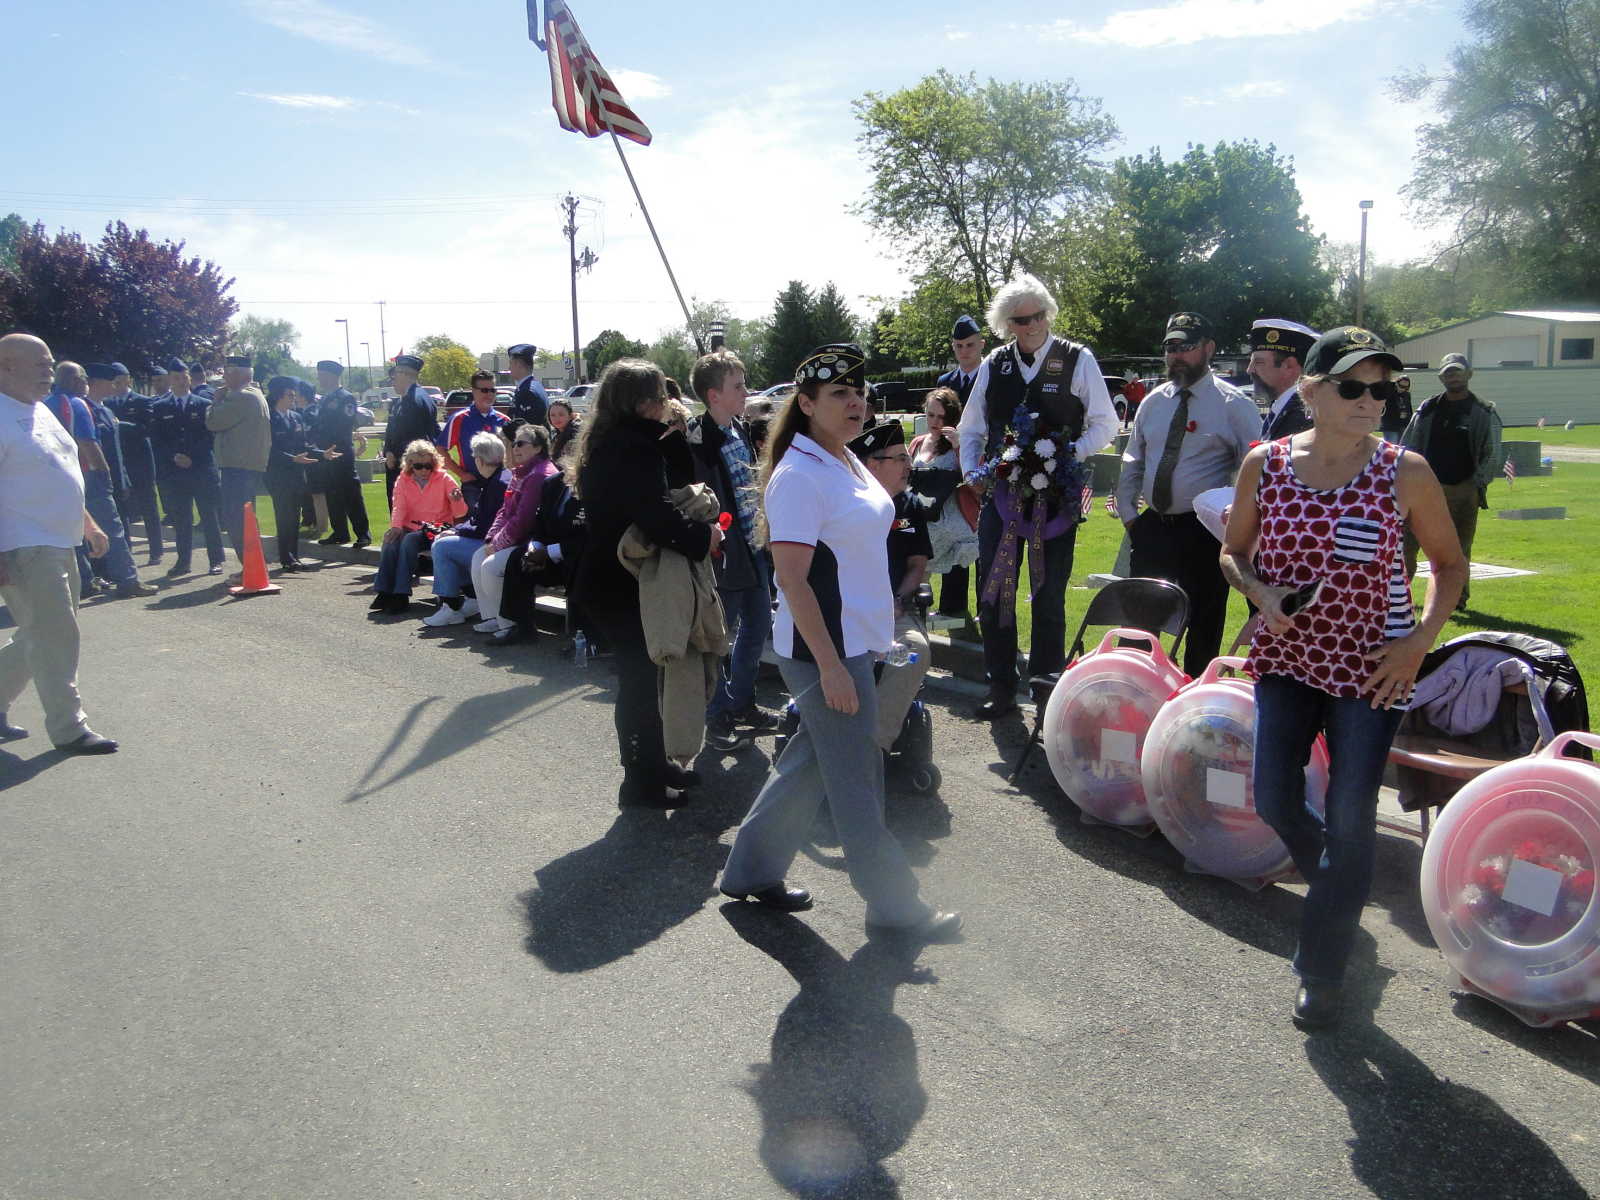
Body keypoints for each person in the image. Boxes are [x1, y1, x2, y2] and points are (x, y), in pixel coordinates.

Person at [1220, 326, 1467, 1028]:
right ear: (1310, 390)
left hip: (1373, 667)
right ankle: (1340, 884)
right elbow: (1233, 553)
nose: (1371, 401)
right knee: (1275, 798)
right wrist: (1261, 594)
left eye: (1382, 389)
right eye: (1354, 386)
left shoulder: (1404, 471)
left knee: (1352, 817)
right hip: (1289, 658)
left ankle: (1322, 969)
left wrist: (1418, 643)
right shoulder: (1265, 464)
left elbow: (1450, 566)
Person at [718, 343, 958, 939]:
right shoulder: (800, 476)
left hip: (855, 642)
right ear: (805, 404)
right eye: (839, 394)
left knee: (807, 765)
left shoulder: (843, 457)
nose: (856, 403)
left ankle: (749, 871)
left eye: (860, 393)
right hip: (824, 650)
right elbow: (793, 580)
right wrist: (829, 668)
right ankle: (895, 905)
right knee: (858, 784)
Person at [956, 273, 1119, 719]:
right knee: (994, 591)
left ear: (1048, 314)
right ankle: (1001, 686)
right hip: (1001, 496)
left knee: (1048, 595)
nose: (1030, 326)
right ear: (1005, 324)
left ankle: (1047, 691)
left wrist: (1065, 454)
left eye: (1037, 316)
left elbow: (1106, 424)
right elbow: (971, 428)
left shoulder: (1077, 359)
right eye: (1019, 320)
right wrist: (972, 473)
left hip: (1056, 497)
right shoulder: (995, 364)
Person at [571, 359, 721, 808]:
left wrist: (671, 438)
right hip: (622, 584)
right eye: (660, 397)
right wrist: (706, 537)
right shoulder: (631, 447)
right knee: (640, 685)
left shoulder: (617, 440)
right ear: (640, 403)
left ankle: (653, 765)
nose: (666, 404)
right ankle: (640, 783)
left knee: (647, 681)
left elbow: (677, 481)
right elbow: (657, 517)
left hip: (611, 580)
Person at [1116, 312, 1260, 679]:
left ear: (1209, 349)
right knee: (1138, 624)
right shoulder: (1153, 401)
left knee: (1203, 625)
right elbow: (1133, 459)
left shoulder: (1233, 404)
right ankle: (1135, 694)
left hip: (1204, 533)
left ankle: (1194, 698)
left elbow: (1257, 469)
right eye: (1170, 347)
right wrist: (1130, 516)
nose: (1176, 356)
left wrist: (1236, 522)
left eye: (1186, 347)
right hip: (1152, 528)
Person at [0, 332, 119, 753]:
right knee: (56, 636)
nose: (49, 370)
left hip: (59, 540)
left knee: (41, 633)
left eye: (50, 363)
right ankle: (70, 728)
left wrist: (89, 524)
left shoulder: (41, 410)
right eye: (39, 363)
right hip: (23, 545)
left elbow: (58, 469)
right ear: (7, 366)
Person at [687, 349, 779, 754]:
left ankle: (742, 701)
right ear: (713, 396)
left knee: (757, 626)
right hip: (723, 552)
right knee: (718, 636)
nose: (746, 392)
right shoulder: (696, 438)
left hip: (752, 545)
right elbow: (696, 498)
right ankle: (717, 712)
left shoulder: (739, 429)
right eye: (737, 386)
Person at [851, 420, 933, 752]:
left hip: (894, 612)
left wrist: (898, 599)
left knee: (914, 651)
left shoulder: (911, 506)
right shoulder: (847, 505)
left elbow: (917, 565)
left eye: (907, 458)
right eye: (899, 458)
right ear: (873, 464)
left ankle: (873, 747)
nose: (908, 465)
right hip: (849, 613)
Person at [1401, 353, 1503, 610]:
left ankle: (1457, 600)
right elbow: (1408, 444)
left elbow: (1492, 454)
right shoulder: (1427, 409)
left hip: (1463, 491)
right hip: (1422, 490)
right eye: (1448, 372)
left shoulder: (1484, 411)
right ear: (1441, 377)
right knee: (1405, 546)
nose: (1453, 376)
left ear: (1469, 374)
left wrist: (1476, 484)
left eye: (1457, 371)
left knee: (1458, 551)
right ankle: (1397, 596)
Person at [465, 424, 560, 639]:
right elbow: (504, 510)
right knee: (479, 556)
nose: (515, 447)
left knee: (490, 566)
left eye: (521, 443)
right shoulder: (521, 472)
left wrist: (498, 544)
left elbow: (524, 520)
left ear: (538, 448)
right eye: (514, 443)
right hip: (517, 538)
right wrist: (492, 538)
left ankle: (510, 623)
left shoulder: (538, 475)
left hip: (534, 542)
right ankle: (493, 617)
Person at [421, 430, 511, 626]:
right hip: (494, 541)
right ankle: (471, 596)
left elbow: (484, 527)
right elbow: (478, 520)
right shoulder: (499, 478)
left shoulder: (497, 483)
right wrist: (456, 530)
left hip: (495, 545)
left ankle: (450, 606)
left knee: (441, 546)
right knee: (446, 542)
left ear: (479, 460)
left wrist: (457, 530)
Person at [149, 357, 226, 577]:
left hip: (201, 469)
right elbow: (157, 440)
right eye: (177, 378)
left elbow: (209, 437)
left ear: (190, 379)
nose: (182, 382)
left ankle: (216, 560)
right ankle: (183, 561)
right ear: (170, 380)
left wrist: (192, 457)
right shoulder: (160, 407)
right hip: (176, 472)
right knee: (182, 519)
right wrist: (174, 456)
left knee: (209, 516)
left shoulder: (202, 404)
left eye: (185, 377)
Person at [369, 440, 465, 614]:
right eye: (418, 466)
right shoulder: (403, 480)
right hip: (411, 527)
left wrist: (456, 500)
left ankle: (401, 594)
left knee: (409, 540)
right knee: (390, 541)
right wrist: (396, 527)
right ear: (410, 464)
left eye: (428, 466)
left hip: (437, 528)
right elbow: (399, 507)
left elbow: (460, 513)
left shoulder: (445, 479)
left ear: (434, 463)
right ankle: (384, 592)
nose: (424, 470)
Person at [81, 363, 152, 597]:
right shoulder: (84, 409)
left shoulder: (107, 411)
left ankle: (114, 575)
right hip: (95, 481)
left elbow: (117, 449)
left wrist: (123, 479)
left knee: (118, 528)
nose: (114, 385)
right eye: (109, 381)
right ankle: (122, 579)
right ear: (94, 383)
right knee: (108, 530)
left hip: (115, 479)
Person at [909, 385, 978, 617]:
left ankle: (922, 611)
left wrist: (959, 447)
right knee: (915, 567)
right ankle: (917, 612)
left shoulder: (959, 443)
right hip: (921, 515)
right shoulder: (918, 442)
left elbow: (976, 480)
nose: (935, 422)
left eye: (942, 417)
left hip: (949, 519)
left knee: (920, 566)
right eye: (931, 415)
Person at [206, 354, 271, 581]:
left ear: (238, 374)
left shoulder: (241, 396)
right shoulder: (254, 394)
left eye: (227, 372)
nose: (224, 377)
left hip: (238, 466)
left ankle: (250, 568)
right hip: (247, 466)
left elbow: (213, 422)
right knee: (245, 519)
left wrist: (215, 402)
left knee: (237, 520)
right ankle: (253, 566)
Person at [106, 362, 163, 566]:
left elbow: (147, 429)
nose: (117, 385)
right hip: (118, 462)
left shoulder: (142, 401)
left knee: (149, 506)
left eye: (121, 381)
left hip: (140, 461)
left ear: (128, 380)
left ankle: (156, 550)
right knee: (122, 508)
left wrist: (120, 425)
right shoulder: (107, 404)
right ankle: (126, 551)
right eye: (114, 382)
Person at [312, 360, 369, 548]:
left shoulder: (345, 398)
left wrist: (329, 444)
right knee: (332, 494)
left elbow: (344, 425)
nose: (319, 379)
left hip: (341, 451)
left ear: (332, 376)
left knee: (350, 493)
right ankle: (340, 532)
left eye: (322, 375)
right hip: (325, 453)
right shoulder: (325, 399)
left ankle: (363, 533)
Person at [264, 376, 319, 572]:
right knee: (283, 515)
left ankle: (294, 555)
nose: (293, 398)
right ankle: (285, 556)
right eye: (290, 395)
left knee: (295, 517)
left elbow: (304, 445)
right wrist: (292, 458)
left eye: (294, 395)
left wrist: (322, 453)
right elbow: (268, 449)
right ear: (279, 395)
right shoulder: (268, 418)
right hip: (278, 475)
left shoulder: (296, 417)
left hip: (296, 474)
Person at [382, 354, 438, 509]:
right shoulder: (406, 399)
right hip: (404, 465)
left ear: (404, 374)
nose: (392, 380)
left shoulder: (414, 400)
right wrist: (388, 451)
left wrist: (393, 453)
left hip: (411, 468)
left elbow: (415, 439)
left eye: (395, 374)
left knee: (408, 512)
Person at [1249, 318, 1318, 441]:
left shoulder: (1302, 416)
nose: (1249, 370)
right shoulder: (1285, 408)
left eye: (1258, 362)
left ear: (1289, 366)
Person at [442, 370, 510, 491]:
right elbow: (441, 449)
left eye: (492, 390)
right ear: (473, 391)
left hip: (499, 483)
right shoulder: (459, 419)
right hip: (473, 484)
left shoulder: (504, 420)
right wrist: (462, 474)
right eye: (484, 390)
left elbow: (513, 453)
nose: (489, 394)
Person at [935, 314, 985, 403]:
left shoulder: (992, 378)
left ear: (982, 345)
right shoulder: (944, 382)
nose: (964, 351)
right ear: (953, 347)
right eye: (959, 346)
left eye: (970, 345)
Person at [507, 343, 549, 428]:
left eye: (511, 364)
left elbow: (523, 426)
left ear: (518, 364)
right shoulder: (535, 386)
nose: (509, 368)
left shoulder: (527, 392)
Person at [547, 398, 582, 464]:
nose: (556, 418)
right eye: (552, 415)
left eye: (561, 414)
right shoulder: (556, 434)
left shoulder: (574, 434)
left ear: (570, 416)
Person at [1382, 374, 1414, 441]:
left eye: (1406, 387)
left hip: (1403, 426)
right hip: (1390, 426)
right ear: (1396, 383)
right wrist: (1393, 384)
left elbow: (1409, 409)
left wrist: (1410, 422)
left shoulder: (1407, 395)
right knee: (1392, 446)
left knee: (1403, 446)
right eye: (1401, 386)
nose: (1403, 389)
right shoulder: (1390, 392)